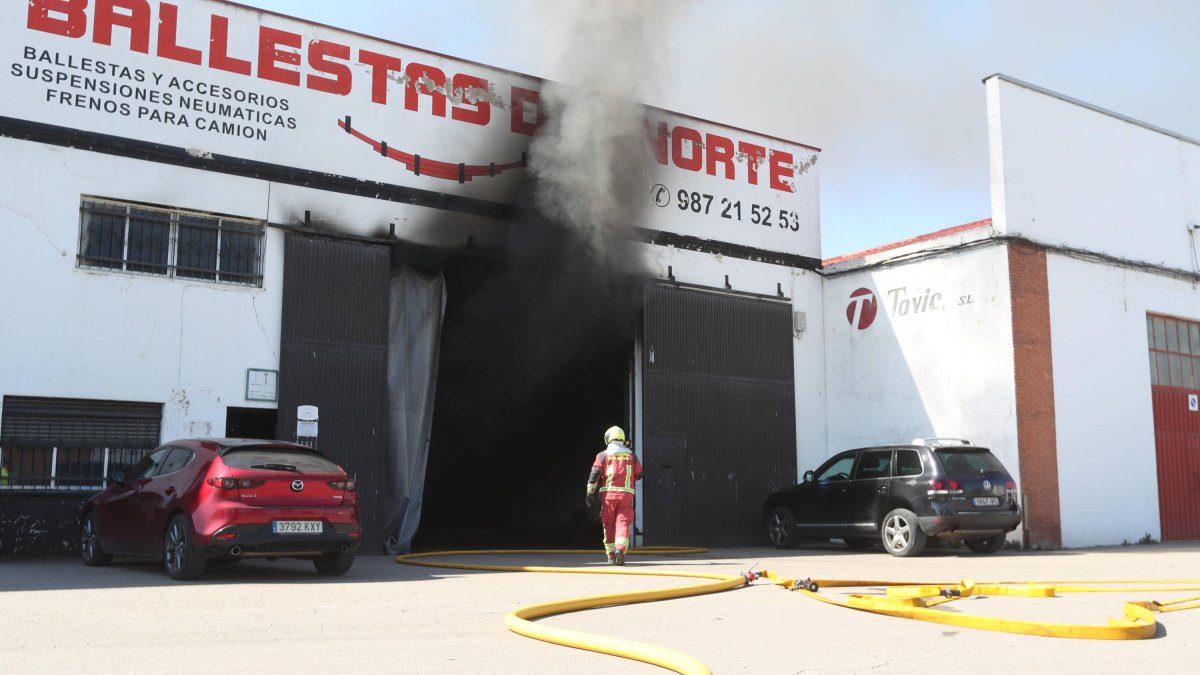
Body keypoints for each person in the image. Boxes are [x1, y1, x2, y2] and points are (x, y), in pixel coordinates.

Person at [585, 425, 642, 565]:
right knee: (623, 523)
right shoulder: (632, 456)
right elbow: (640, 474)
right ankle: (620, 550)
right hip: (626, 496)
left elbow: (594, 475)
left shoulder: (602, 456)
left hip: (609, 496)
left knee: (609, 524)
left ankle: (611, 556)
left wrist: (590, 494)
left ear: (607, 438)